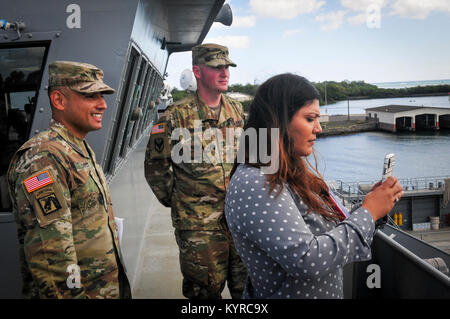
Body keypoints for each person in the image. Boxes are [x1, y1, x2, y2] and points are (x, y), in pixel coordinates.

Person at [224, 73, 404, 299]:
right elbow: (306, 259)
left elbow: (325, 233)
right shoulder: (256, 182)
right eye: (310, 118)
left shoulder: (282, 173)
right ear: (278, 120)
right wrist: (368, 213)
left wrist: (373, 208)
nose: (318, 128)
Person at [7, 61, 131, 299]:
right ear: (59, 100)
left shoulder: (76, 147)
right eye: (90, 95)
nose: (103, 104)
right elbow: (52, 261)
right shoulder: (42, 158)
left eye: (102, 96)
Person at [144, 43, 247, 299]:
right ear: (198, 71)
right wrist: (181, 203)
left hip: (238, 221)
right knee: (204, 292)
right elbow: (156, 169)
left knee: (246, 289)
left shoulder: (237, 110)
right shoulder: (174, 117)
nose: (225, 73)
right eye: (216, 67)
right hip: (198, 227)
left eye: (227, 67)